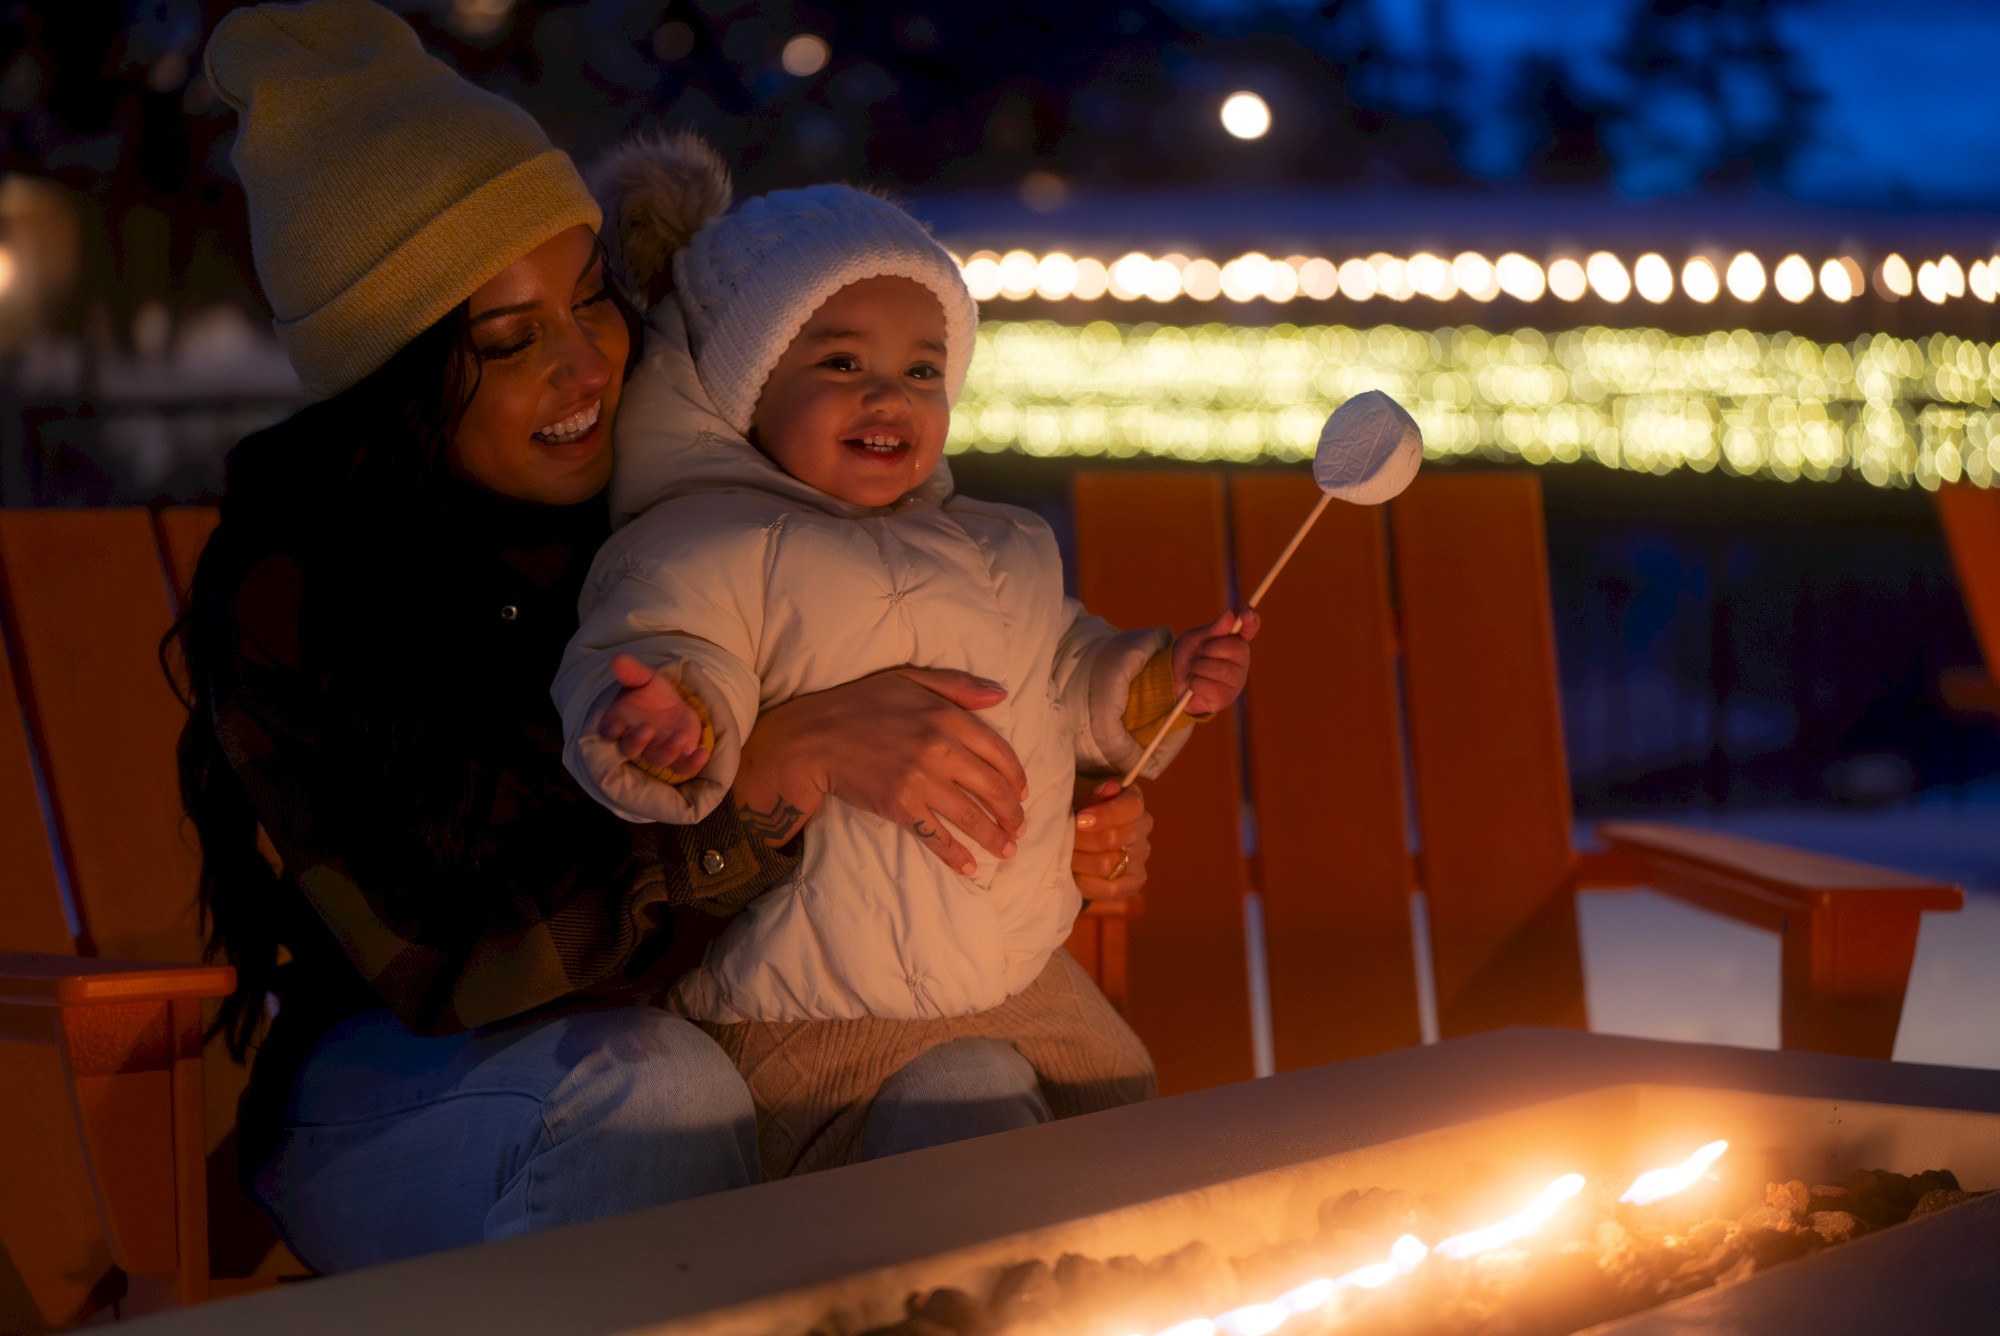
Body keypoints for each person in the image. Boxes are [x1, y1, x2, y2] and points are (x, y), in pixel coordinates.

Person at [176, 0, 1153, 1275]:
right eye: (510, 340)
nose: (586, 366)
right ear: (400, 376)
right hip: (416, 1074)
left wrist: (1045, 813)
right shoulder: (311, 585)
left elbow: (888, 689)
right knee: (657, 1089)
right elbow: (469, 963)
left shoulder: (680, 496)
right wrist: (759, 770)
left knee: (937, 1085)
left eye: (591, 300)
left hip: (736, 1049)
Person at [551, 133, 1257, 1177]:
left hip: (1019, 979)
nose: (888, 396)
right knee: (952, 1144)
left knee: (1111, 1156)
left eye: (921, 370)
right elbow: (663, 641)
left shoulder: (997, 546)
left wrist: (1155, 681)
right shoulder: (704, 543)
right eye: (840, 363)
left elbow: (1066, 675)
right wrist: (669, 725)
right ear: (741, 387)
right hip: (817, 1007)